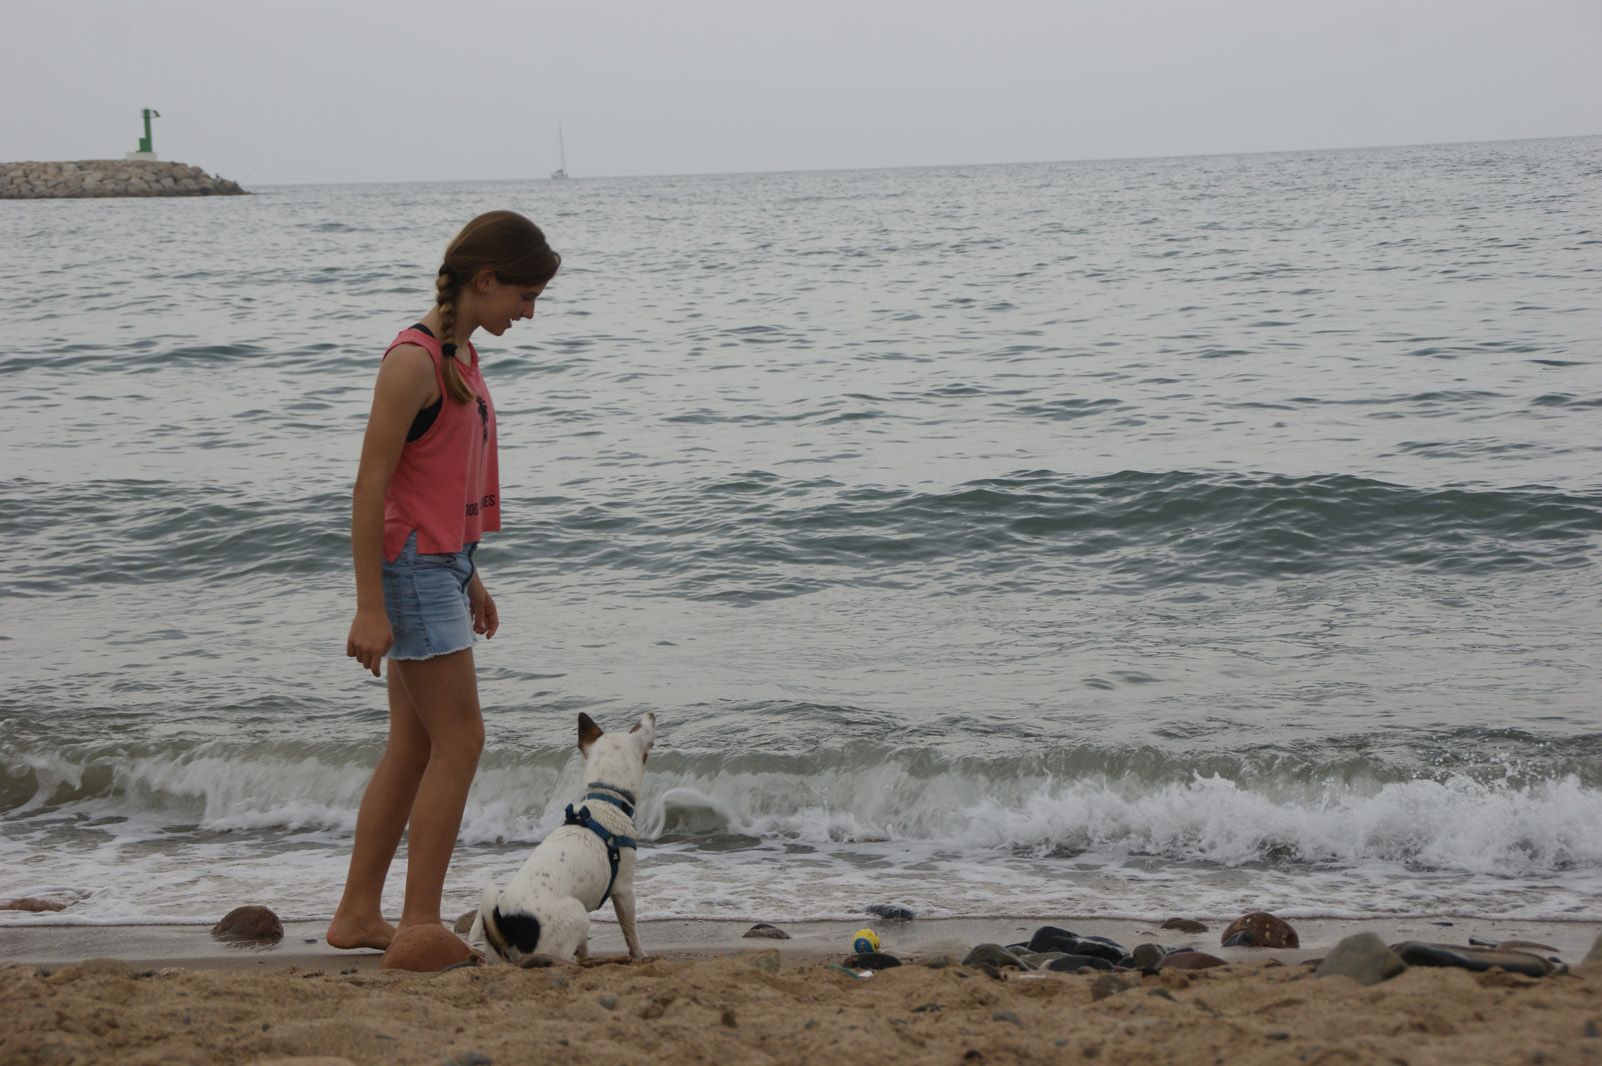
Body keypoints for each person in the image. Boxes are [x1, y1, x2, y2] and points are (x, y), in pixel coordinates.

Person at [327, 210, 560, 950]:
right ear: (484, 279)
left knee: (415, 747)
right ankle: (420, 924)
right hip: (412, 569)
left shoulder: (461, 357)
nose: (528, 312)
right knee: (461, 740)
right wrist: (371, 606)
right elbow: (371, 489)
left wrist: (472, 574)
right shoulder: (414, 362)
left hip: (442, 565)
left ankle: (358, 915)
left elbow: (436, 482)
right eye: (523, 296)